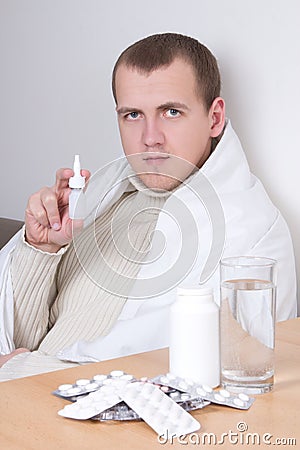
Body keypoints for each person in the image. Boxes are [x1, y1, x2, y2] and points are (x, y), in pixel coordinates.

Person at [0, 33, 297, 380]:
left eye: (171, 112)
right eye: (132, 115)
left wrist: (21, 370)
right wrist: (41, 250)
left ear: (214, 118)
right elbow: (24, 337)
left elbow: (184, 377)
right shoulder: (103, 192)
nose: (150, 137)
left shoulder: (253, 236)